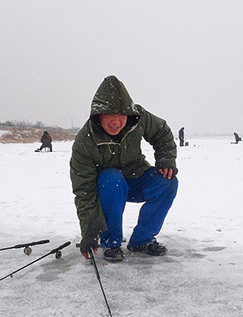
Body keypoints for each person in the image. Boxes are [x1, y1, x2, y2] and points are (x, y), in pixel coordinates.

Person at [70, 75, 178, 262]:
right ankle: (111, 242)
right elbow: (84, 191)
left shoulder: (139, 118)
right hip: (108, 187)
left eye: (120, 115)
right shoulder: (85, 141)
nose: (116, 122)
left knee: (167, 182)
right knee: (112, 178)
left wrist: (166, 159)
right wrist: (89, 231)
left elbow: (162, 132)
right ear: (98, 115)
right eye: (109, 115)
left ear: (128, 114)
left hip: (137, 178)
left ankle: (142, 240)